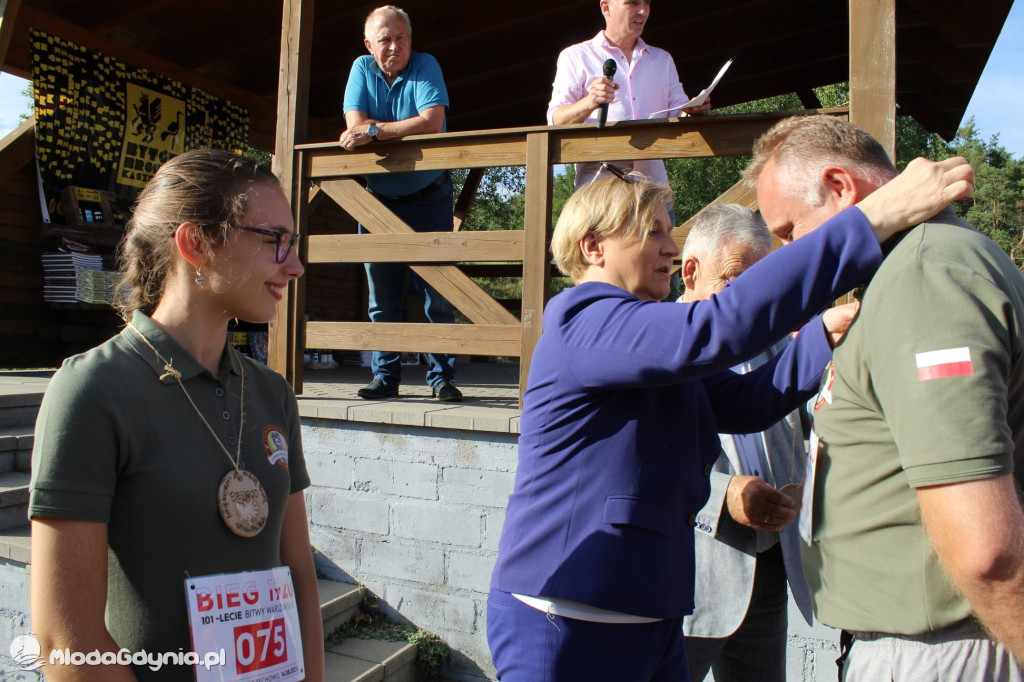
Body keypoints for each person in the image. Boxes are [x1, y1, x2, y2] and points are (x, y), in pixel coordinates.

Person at [487, 156, 974, 681]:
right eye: (653, 233)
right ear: (593, 247)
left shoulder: (645, 337)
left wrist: (821, 336)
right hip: (565, 616)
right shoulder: (584, 319)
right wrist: (872, 218)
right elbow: (718, 325)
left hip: (650, 612)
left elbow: (748, 402)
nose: (672, 250)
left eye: (670, 233)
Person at [744, 114, 1024, 679]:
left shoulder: (923, 276)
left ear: (841, 188)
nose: (788, 253)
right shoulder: (911, 268)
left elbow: (987, 553)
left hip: (941, 652)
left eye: (790, 231)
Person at [29, 149, 324, 681]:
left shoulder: (272, 394)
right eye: (274, 239)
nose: (295, 264)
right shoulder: (93, 391)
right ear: (196, 245)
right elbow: (66, 641)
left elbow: (299, 573)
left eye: (294, 242)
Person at [678, 204, 813, 682]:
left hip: (770, 566)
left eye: (761, 284)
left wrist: (803, 487)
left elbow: (806, 432)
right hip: (688, 579)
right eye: (736, 280)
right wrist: (724, 497)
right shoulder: (656, 349)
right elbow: (635, 465)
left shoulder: (774, 340)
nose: (750, 302)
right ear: (691, 271)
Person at [340, 5, 461, 402]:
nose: (394, 46)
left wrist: (374, 131)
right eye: (385, 39)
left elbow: (431, 120)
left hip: (430, 198)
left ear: (411, 40)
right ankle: (385, 377)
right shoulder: (361, 68)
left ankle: (441, 377)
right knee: (382, 298)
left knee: (438, 294)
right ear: (368, 44)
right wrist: (374, 130)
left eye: (401, 37)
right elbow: (351, 126)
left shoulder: (426, 65)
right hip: (378, 202)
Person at [547, 0, 712, 191]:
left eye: (647, 3)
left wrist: (693, 110)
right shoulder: (576, 56)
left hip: (653, 193)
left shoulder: (662, 59)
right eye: (632, 3)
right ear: (606, 8)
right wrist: (590, 102)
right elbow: (556, 120)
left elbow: (679, 112)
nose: (643, 11)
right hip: (600, 195)